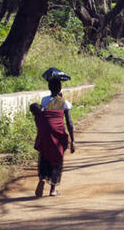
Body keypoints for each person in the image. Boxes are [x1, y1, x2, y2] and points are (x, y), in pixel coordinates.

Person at [32, 68, 75, 197]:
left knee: (44, 155)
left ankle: (42, 178)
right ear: (60, 88)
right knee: (57, 159)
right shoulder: (64, 103)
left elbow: (42, 114)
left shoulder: (44, 100)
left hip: (46, 133)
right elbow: (69, 123)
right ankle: (52, 189)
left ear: (49, 88)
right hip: (57, 134)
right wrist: (73, 140)